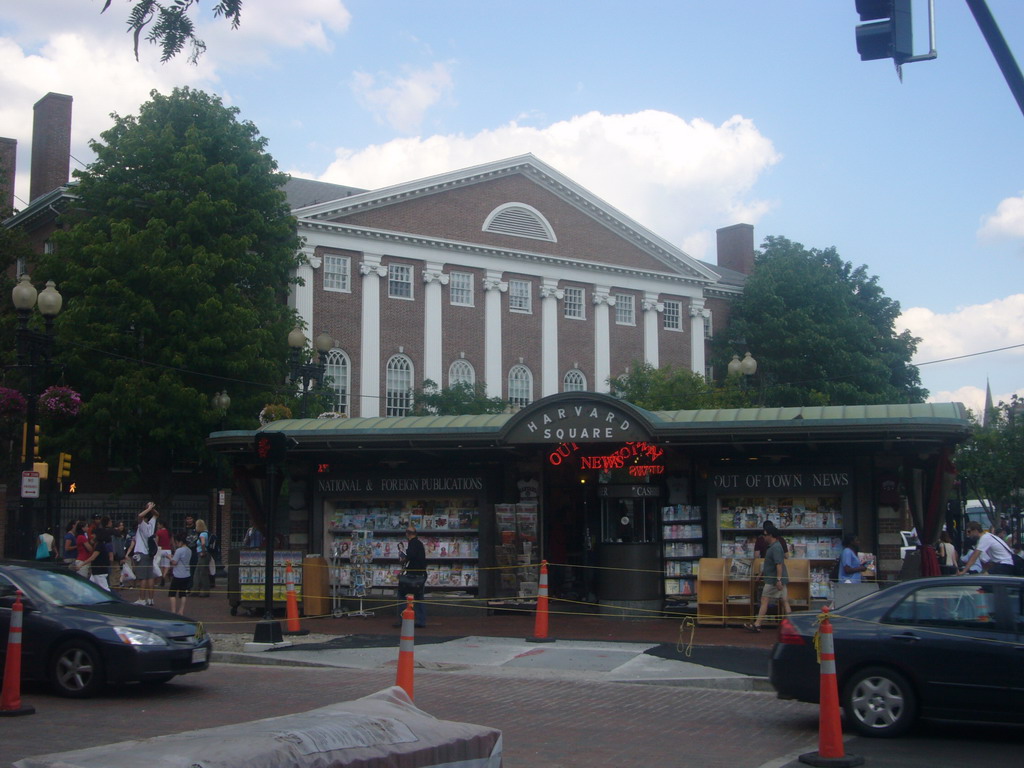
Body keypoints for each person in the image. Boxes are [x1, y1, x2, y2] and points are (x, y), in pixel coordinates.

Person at [745, 522, 790, 633]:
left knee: (764, 599)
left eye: (765, 535)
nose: (763, 537)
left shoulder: (775, 548)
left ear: (770, 535)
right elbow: (769, 564)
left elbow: (778, 564)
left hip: (773, 580)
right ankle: (792, 624)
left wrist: (778, 580)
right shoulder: (774, 546)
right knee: (784, 601)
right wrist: (761, 574)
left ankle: (757, 624)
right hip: (776, 578)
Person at [394, 524, 427, 628]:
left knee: (402, 595)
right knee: (418, 597)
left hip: (413, 575)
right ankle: (421, 620)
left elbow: (411, 556)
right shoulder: (419, 544)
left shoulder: (413, 544)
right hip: (420, 574)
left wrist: (404, 557)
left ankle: (403, 619)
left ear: (407, 534)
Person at [131, 501, 159, 605]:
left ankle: (142, 599)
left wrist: (148, 508)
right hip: (149, 554)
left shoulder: (142, 526)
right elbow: (156, 515)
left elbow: (139, 516)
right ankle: (151, 599)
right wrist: (151, 508)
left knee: (142, 578)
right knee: (150, 577)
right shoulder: (151, 525)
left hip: (142, 553)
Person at [168, 531, 193, 615]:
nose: (176, 544)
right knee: (183, 594)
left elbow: (174, 562)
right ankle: (181, 610)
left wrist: (169, 558)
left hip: (178, 575)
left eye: (177, 542)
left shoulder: (179, 550)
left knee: (172, 594)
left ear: (180, 542)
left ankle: (173, 611)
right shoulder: (189, 550)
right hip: (186, 574)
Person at [90, 516, 115, 591]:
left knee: (105, 587)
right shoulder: (100, 544)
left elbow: (93, 557)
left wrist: (82, 564)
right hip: (97, 569)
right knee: (92, 586)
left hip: (100, 569)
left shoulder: (101, 545)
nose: (92, 536)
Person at [192, 519, 212, 597]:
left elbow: (203, 543)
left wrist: (203, 552)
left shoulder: (202, 534)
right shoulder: (206, 533)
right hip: (203, 554)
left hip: (203, 554)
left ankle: (205, 591)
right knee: (197, 572)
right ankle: (195, 589)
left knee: (203, 573)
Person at [155, 519, 173, 587]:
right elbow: (171, 541)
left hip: (160, 549)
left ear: (161, 525)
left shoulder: (158, 532)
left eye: (158, 524)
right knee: (166, 566)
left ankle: (161, 577)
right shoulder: (169, 531)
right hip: (168, 550)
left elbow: (156, 542)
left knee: (161, 565)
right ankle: (164, 576)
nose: (157, 525)